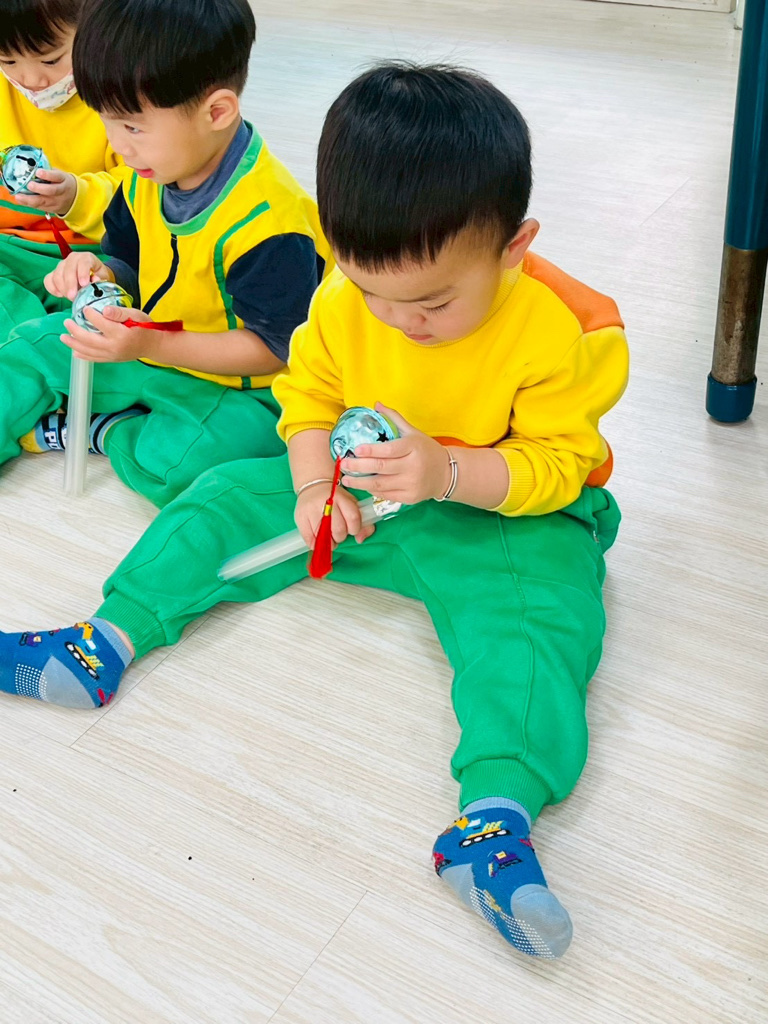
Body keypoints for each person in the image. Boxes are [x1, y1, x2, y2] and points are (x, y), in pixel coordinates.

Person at [0, 63, 629, 960]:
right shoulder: (341, 297)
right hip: (358, 489)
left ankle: (494, 818)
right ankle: (103, 640)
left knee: (538, 628)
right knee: (222, 498)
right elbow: (307, 401)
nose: (399, 319)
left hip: (501, 511)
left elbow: (558, 468)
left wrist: (448, 470)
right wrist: (308, 491)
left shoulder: (567, 332)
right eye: (374, 292)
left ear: (514, 248)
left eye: (433, 301)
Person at [1, 0, 330, 507]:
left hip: (236, 385)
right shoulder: (145, 175)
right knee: (27, 349)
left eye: (132, 128)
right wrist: (99, 270)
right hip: (145, 342)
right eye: (107, 123)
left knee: (211, 455)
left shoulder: (270, 225)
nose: (119, 147)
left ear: (217, 112)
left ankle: (105, 430)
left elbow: (272, 350)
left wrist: (153, 345)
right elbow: (127, 263)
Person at [0, 0, 123, 334]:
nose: (31, 79)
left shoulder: (122, 91)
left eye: (51, 59)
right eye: (7, 61)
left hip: (90, 256)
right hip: (8, 249)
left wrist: (74, 197)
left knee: (98, 314)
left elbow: (146, 198)